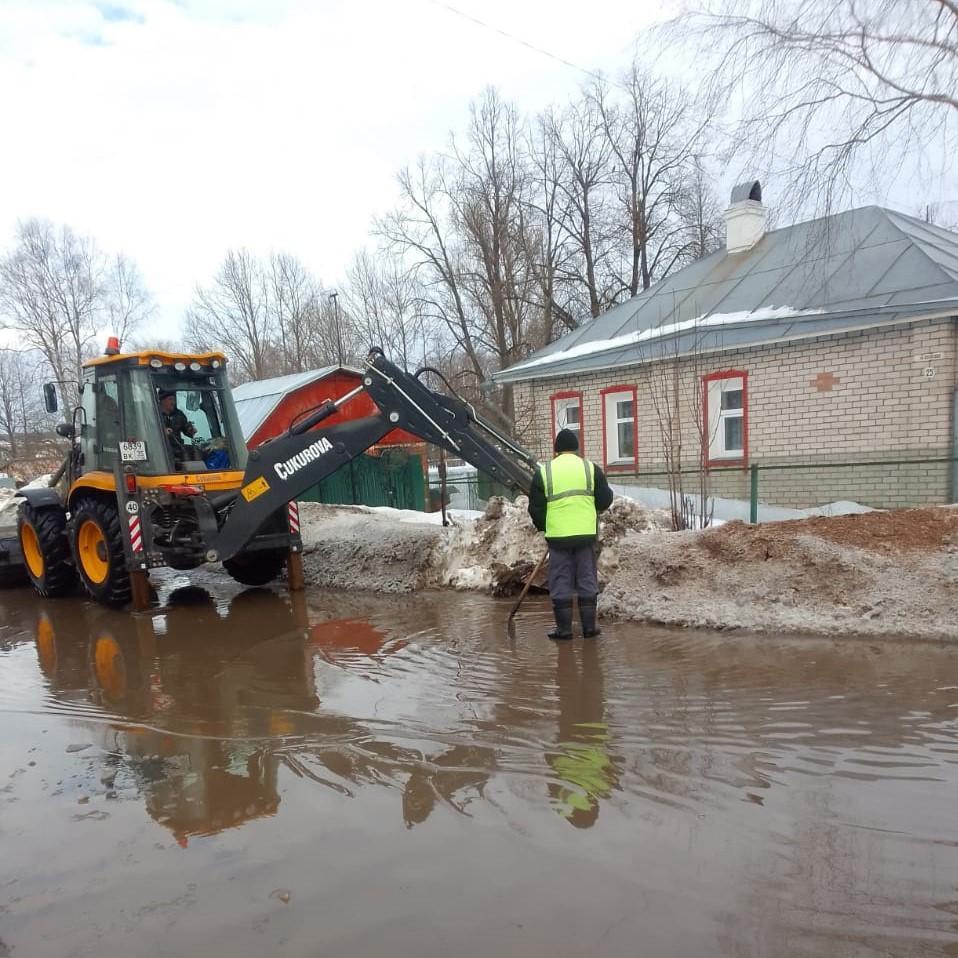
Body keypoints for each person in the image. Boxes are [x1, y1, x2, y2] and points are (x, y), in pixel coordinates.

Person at [528, 428, 613, 640]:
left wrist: (545, 527)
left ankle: (564, 630)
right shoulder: (590, 469)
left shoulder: (544, 472)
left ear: (555, 451)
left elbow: (536, 508)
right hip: (585, 535)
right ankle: (589, 629)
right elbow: (605, 500)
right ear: (576, 449)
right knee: (586, 578)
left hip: (558, 538)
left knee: (560, 580)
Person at [158, 389, 196, 458]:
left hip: (178, 448)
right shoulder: (154, 414)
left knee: (196, 451)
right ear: (162, 400)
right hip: (160, 450)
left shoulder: (178, 414)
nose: (173, 402)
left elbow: (186, 428)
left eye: (174, 400)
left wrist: (190, 430)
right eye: (170, 399)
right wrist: (161, 432)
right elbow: (148, 432)